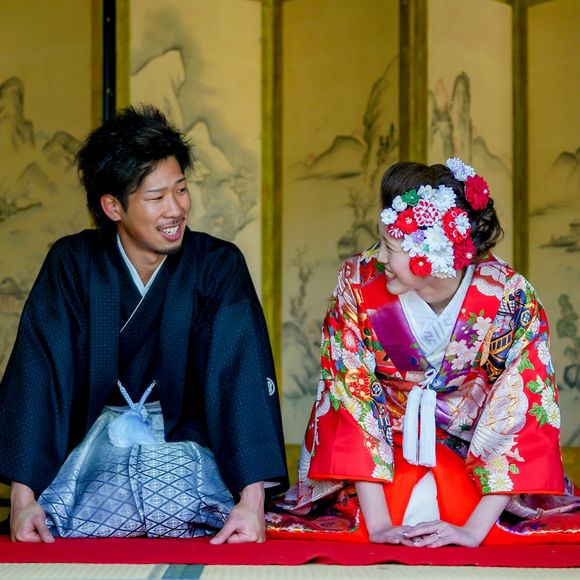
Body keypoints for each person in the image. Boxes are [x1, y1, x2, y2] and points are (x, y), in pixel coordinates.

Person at [0, 105, 288, 543]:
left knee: (183, 497)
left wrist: (252, 503)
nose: (176, 209)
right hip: (93, 447)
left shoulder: (217, 266)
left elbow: (240, 376)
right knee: (66, 511)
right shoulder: (73, 264)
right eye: (156, 198)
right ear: (112, 206)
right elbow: (39, 376)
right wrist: (22, 501)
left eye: (181, 189)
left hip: (186, 446)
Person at [267, 159, 580, 545]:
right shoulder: (357, 285)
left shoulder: (509, 297)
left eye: (391, 247)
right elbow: (350, 399)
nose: (380, 258)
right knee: (386, 515)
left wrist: (473, 531)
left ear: (434, 254)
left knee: (462, 514)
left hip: (474, 459)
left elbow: (521, 411)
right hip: (379, 463)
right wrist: (379, 526)